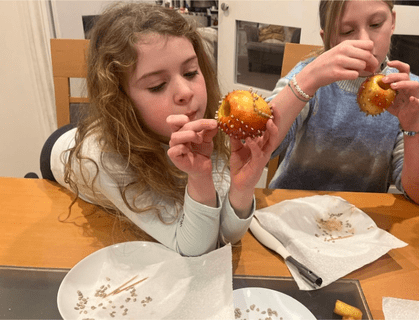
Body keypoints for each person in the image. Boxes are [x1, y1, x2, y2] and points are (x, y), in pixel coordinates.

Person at [41, 2, 277, 256]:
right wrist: (199, 180)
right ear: (121, 101)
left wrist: (241, 188)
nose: (186, 92)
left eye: (190, 72)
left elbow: (224, 236)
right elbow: (195, 248)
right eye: (156, 86)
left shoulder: (206, 126)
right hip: (63, 151)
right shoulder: (105, 158)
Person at [267, 0, 419, 205]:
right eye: (347, 31)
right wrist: (307, 81)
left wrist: (412, 125)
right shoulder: (308, 77)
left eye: (376, 24)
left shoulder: (410, 90)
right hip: (293, 205)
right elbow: (257, 145)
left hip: (362, 215)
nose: (365, 42)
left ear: (392, 21)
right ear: (329, 40)